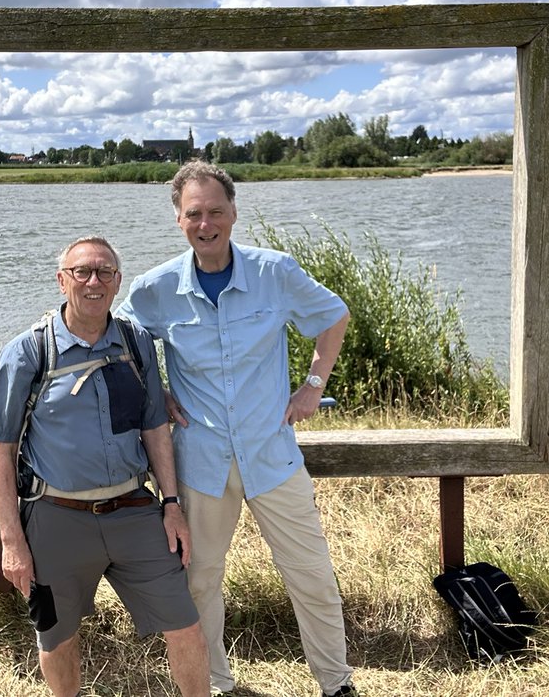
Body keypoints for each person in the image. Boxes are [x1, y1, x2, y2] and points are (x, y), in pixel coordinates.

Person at [119, 160, 360, 697]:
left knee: (313, 576)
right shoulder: (155, 288)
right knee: (200, 581)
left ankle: (336, 684)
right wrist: (154, 389)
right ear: (178, 220)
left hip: (272, 454)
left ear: (234, 213)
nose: (207, 224)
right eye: (194, 214)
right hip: (200, 462)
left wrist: (314, 384)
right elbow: (121, 343)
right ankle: (217, 687)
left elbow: (333, 315)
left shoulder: (275, 272)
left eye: (216, 212)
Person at [0, 236, 207, 697]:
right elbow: (0, 451)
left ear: (118, 282)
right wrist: (12, 540)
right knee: (57, 637)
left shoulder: (137, 344)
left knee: (186, 626)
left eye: (104, 272)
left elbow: (155, 429)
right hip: (55, 517)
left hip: (135, 511)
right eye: (82, 271)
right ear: (62, 280)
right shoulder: (28, 352)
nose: (93, 281)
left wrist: (172, 505)